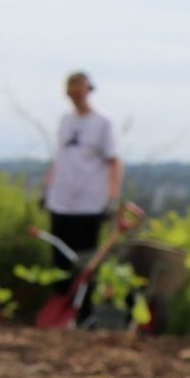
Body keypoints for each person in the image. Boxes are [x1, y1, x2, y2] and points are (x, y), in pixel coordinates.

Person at [42, 71, 124, 276]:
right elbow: (61, 157)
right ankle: (61, 295)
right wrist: (48, 189)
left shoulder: (103, 122)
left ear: (88, 90)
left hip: (90, 205)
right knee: (59, 263)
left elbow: (114, 161)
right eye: (71, 93)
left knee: (86, 263)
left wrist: (112, 199)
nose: (75, 97)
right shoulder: (65, 120)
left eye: (79, 92)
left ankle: (84, 297)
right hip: (60, 203)